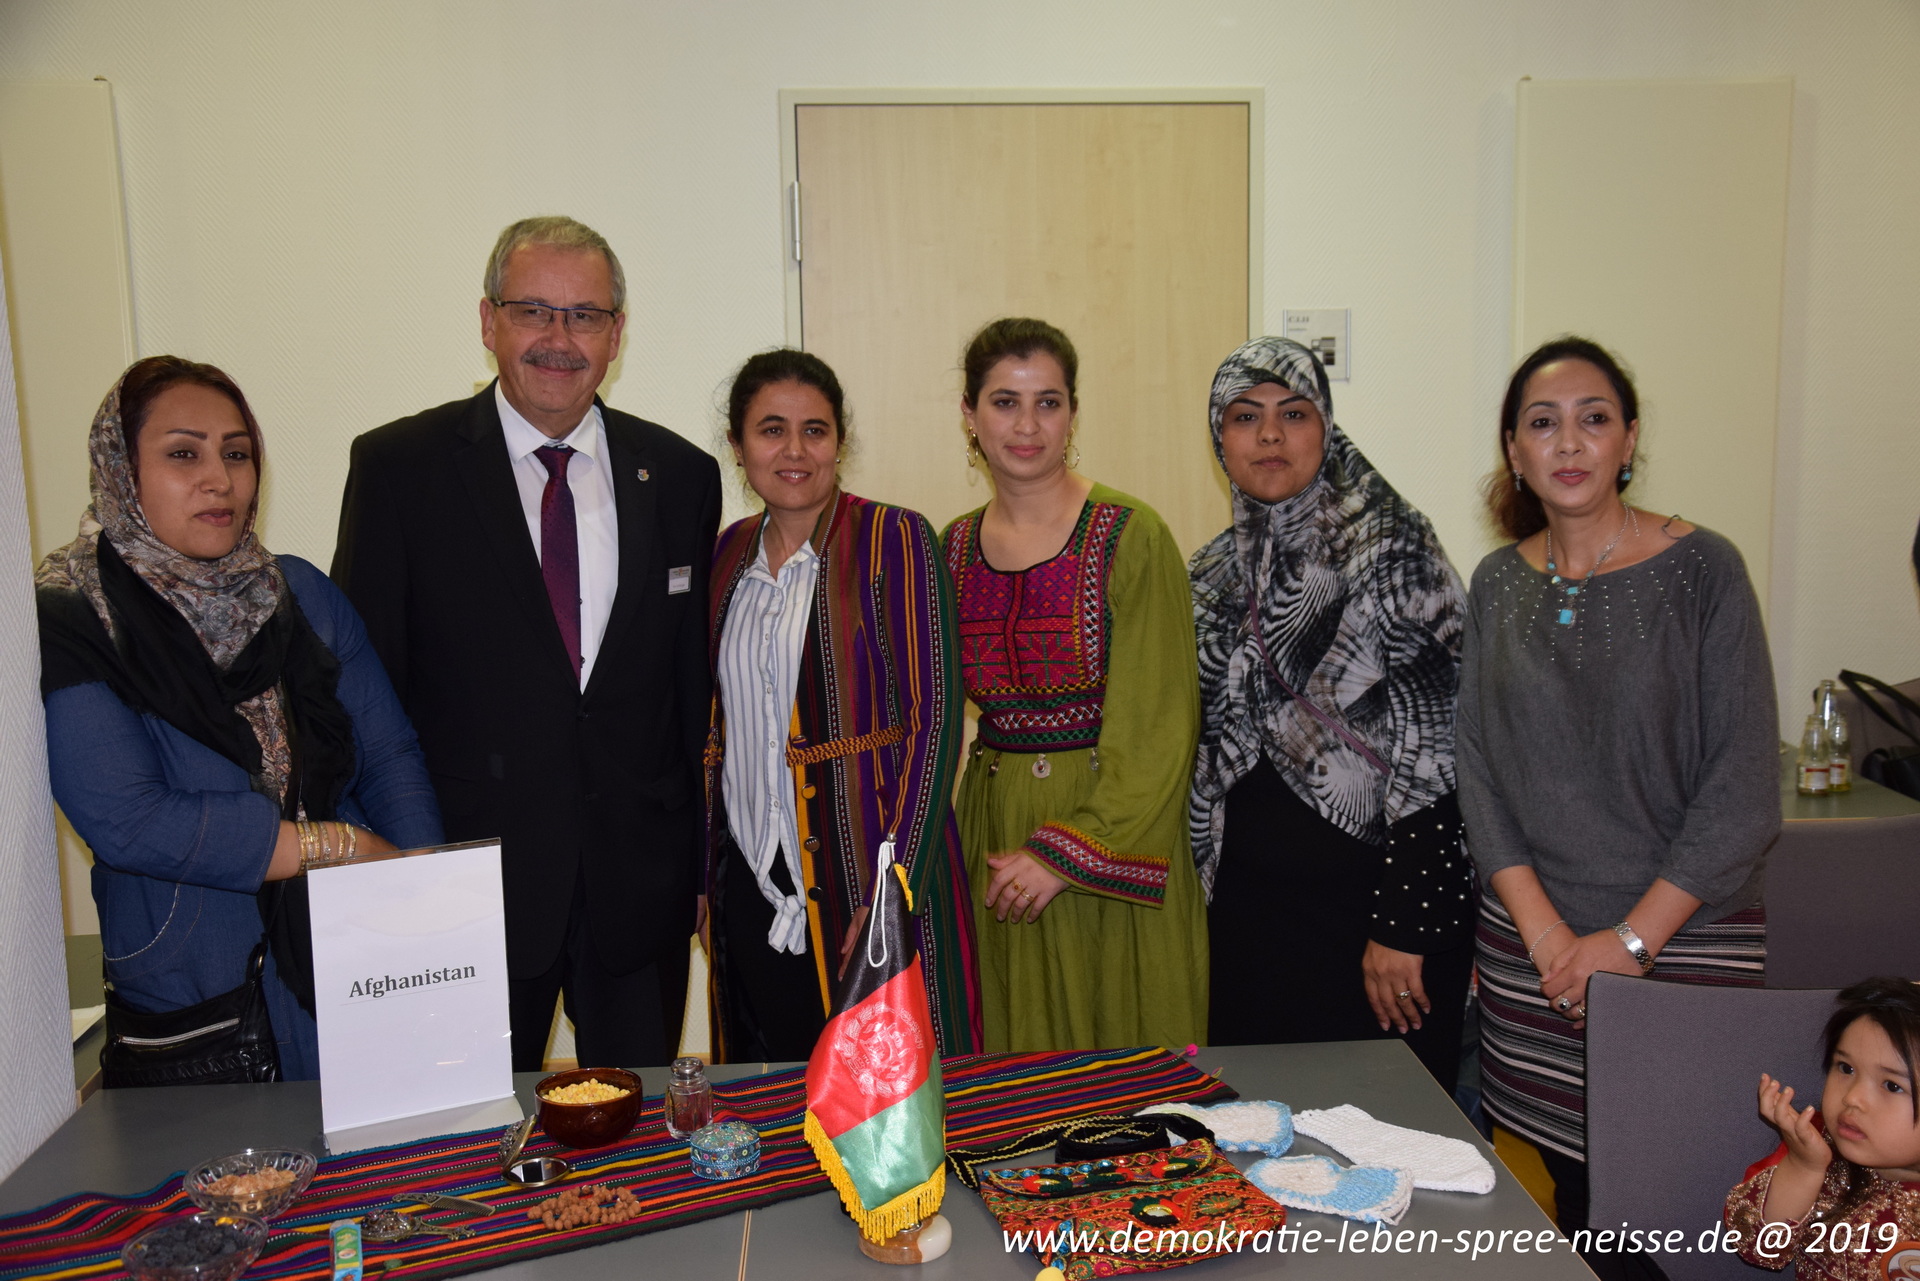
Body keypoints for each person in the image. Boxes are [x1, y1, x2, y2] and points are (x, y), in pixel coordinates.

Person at [332, 216, 721, 1071]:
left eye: (585, 315)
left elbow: (689, 692)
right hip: (466, 889)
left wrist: (699, 868)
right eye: (533, 310)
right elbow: (363, 688)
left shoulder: (680, 474)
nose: (559, 337)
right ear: (488, 321)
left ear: (616, 333)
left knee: (638, 1120)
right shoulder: (401, 468)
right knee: (472, 1130)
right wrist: (385, 871)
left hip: (638, 888)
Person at [38, 357, 442, 1080]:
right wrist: (337, 845)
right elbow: (128, 819)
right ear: (121, 469)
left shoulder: (301, 593)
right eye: (182, 454)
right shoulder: (72, 616)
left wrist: (422, 892)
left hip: (359, 959)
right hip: (198, 984)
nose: (218, 479)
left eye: (236, 453)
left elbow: (388, 754)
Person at [1460, 336, 1779, 1236]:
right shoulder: (1495, 583)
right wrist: (1549, 937)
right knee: (1574, 1205)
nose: (1568, 443)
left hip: (1684, 945)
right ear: (1515, 451)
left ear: (1629, 439)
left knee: (1675, 1210)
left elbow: (1744, 788)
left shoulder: (1705, 569)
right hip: (1536, 958)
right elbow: (1478, 772)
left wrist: (1631, 942)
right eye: (1542, 424)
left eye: (1593, 419)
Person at [1188, 336, 1475, 1090]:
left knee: (1390, 1133)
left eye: (1294, 413)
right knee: (1258, 1131)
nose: (1270, 435)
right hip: (1249, 924)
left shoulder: (1394, 550)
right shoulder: (1211, 574)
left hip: (1376, 921)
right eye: (1245, 416)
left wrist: (1405, 926)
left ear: (1327, 427)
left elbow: (1443, 746)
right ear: (1220, 437)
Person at [704, 349, 980, 1060]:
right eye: (772, 429)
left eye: (815, 430)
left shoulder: (895, 539)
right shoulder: (725, 557)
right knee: (768, 1086)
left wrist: (891, 892)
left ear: (840, 442)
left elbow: (934, 722)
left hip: (866, 877)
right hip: (753, 886)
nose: (795, 451)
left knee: (883, 1094)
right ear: (738, 444)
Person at [941, 317, 1207, 1053]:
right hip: (994, 834)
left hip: (1115, 835)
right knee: (1009, 1055)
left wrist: (1064, 855)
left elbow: (1160, 728)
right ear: (969, 414)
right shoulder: (950, 548)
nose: (1027, 425)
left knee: (1119, 1054)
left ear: (1073, 413)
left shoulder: (1131, 534)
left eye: (1048, 403)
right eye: (1005, 402)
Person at [1725, 977, 1920, 1278]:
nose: (1852, 1098)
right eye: (1845, 1068)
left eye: (1892, 1086)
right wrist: (1803, 1168)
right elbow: (1758, 1246)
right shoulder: (1817, 1146)